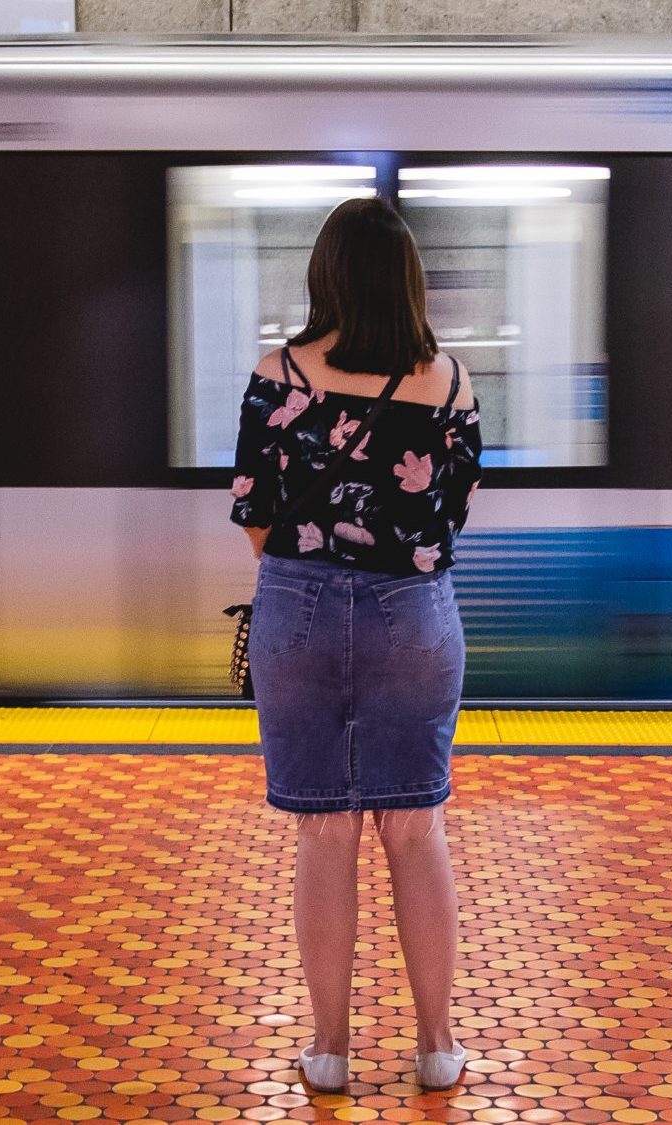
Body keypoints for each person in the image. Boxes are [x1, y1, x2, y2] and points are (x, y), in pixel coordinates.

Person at [229, 197, 483, 1095]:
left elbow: (254, 517)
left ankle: (330, 1048)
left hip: (296, 609)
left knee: (326, 831)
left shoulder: (277, 376)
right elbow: (447, 518)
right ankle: (436, 1044)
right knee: (415, 829)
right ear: (409, 280)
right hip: (413, 617)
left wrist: (316, 566)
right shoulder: (450, 385)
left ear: (325, 275)